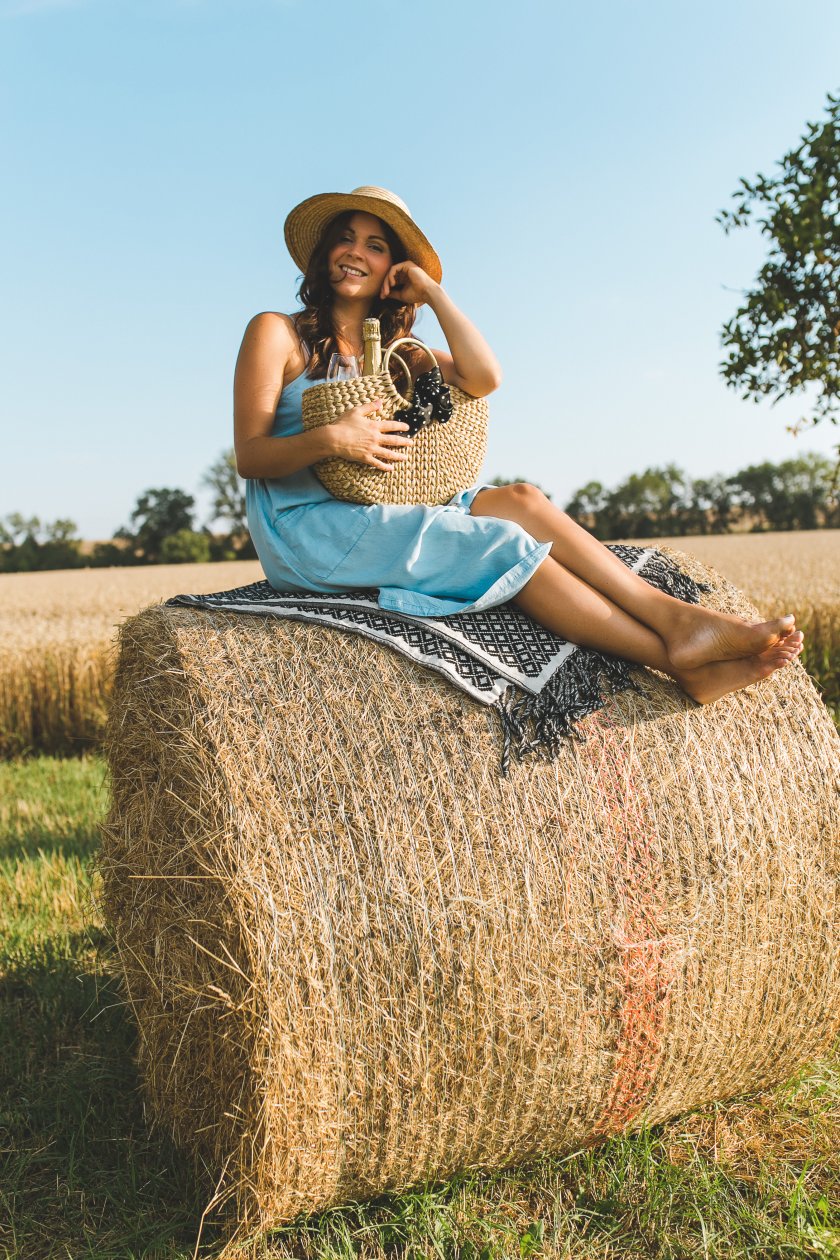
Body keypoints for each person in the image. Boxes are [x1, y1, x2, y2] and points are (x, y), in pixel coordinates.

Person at [234, 185, 803, 705]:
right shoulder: (277, 332)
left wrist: (433, 292)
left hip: (374, 507)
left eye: (375, 244)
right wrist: (333, 437)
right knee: (501, 542)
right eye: (345, 238)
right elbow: (250, 456)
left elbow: (485, 377)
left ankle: (679, 621)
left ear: (391, 265)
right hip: (305, 526)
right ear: (323, 252)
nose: (355, 252)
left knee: (522, 500)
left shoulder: (399, 348)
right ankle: (677, 664)